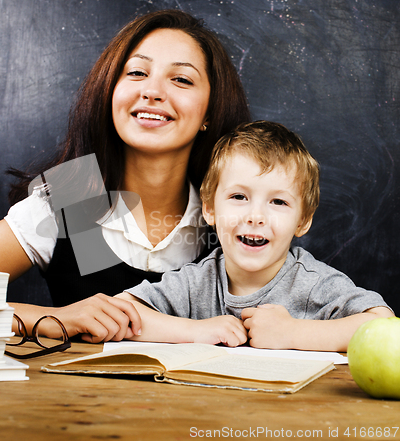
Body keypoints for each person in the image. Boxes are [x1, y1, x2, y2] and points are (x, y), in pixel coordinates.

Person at [0, 9, 251, 343]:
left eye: (182, 79)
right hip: (76, 396)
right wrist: (52, 319)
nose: (152, 91)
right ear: (110, 91)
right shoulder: (70, 198)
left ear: (210, 111)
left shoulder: (239, 213)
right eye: (136, 72)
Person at [116, 121, 395, 352]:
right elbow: (121, 312)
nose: (256, 216)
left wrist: (293, 333)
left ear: (303, 219)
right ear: (210, 208)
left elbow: (383, 322)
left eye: (278, 202)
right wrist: (196, 330)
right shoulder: (196, 282)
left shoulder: (313, 284)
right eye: (239, 196)